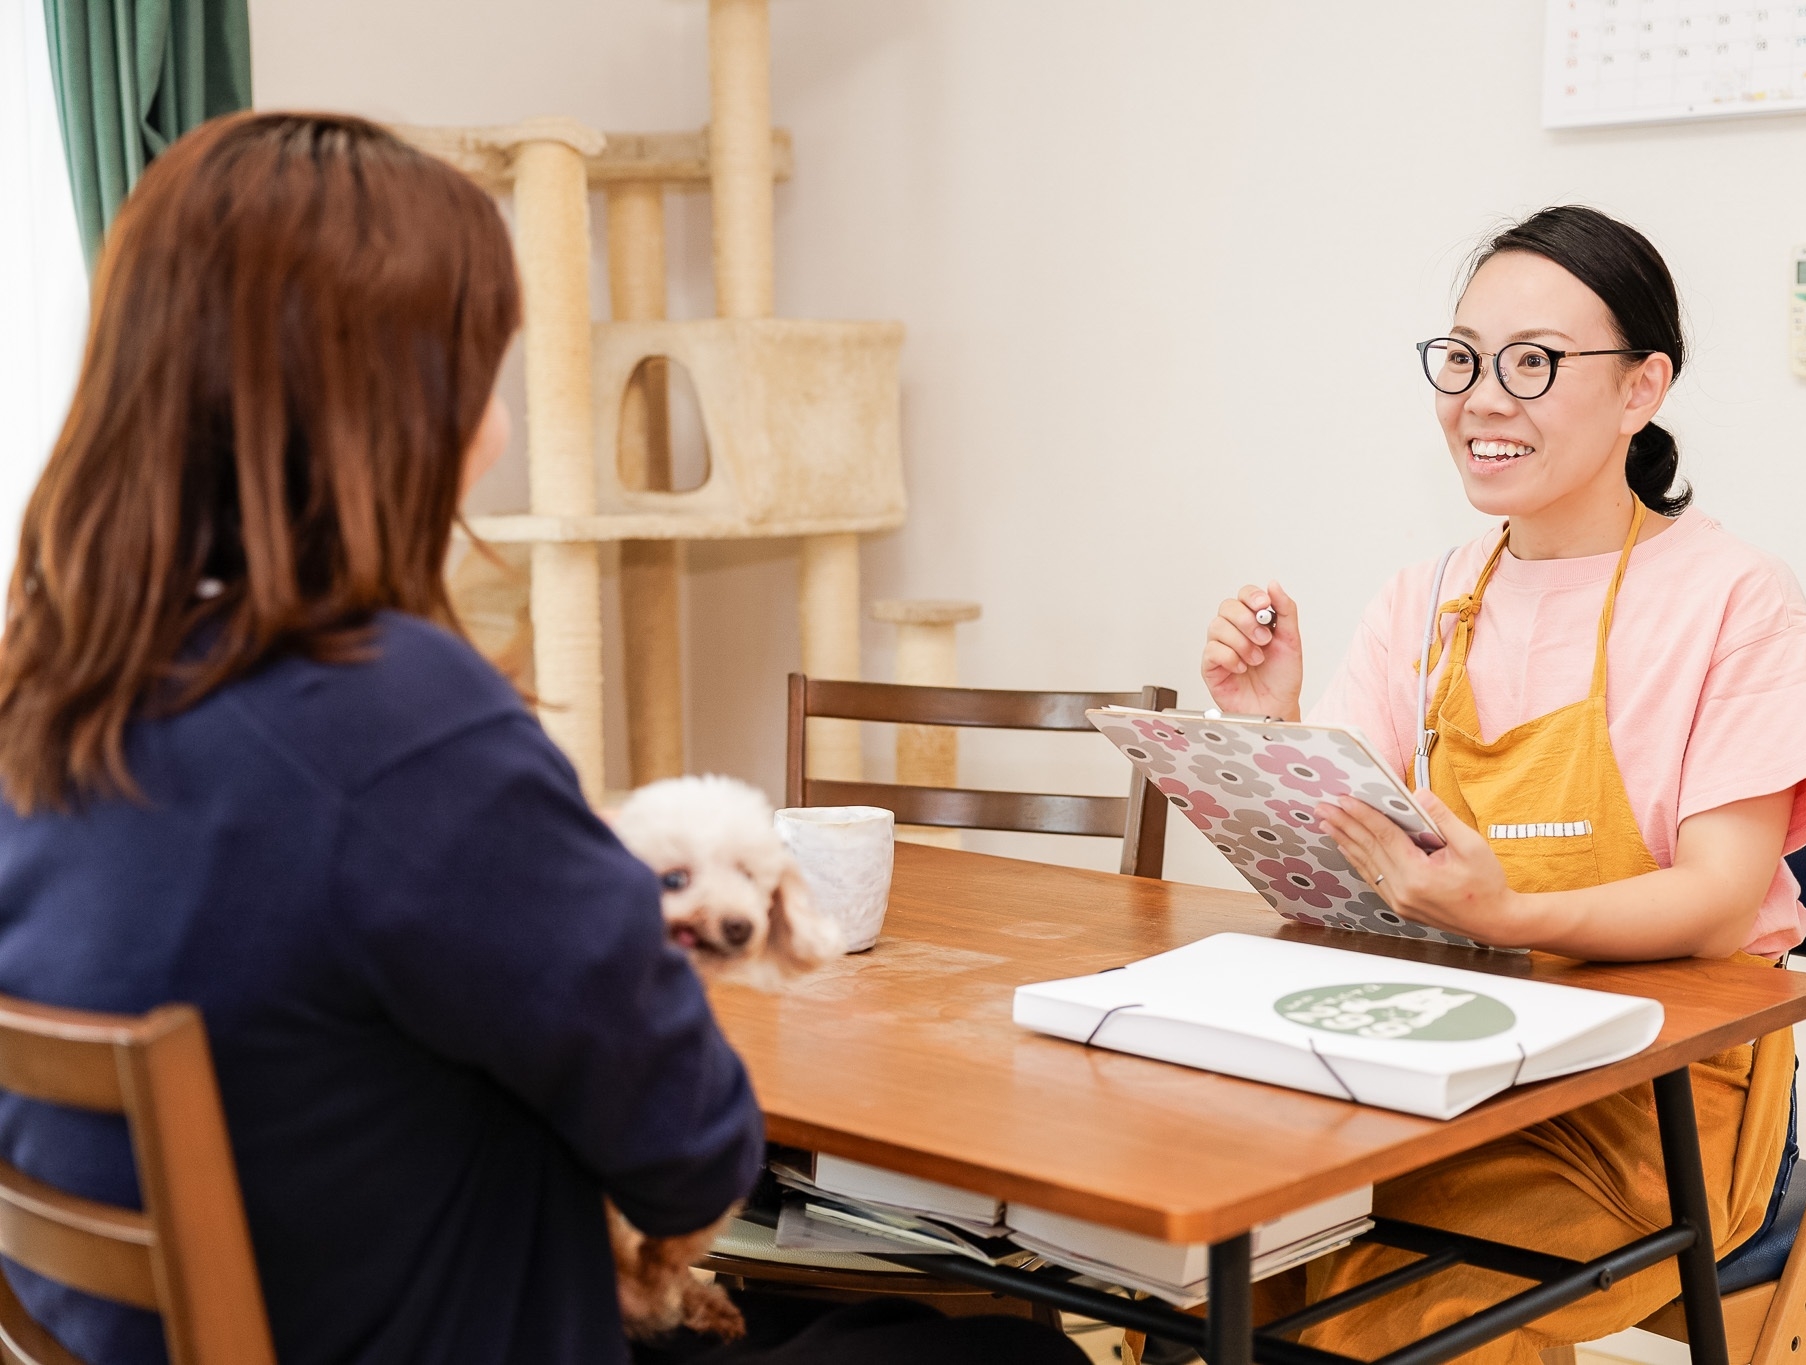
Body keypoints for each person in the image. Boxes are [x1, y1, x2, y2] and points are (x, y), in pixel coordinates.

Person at [0, 112, 1082, 1365]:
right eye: (481, 373)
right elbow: (693, 1148)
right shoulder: (393, 715)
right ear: (386, 395)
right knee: (1002, 1348)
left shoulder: (54, 698)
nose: (499, 429)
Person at [1201, 206, 1806, 1363]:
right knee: (1213, 1286)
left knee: (1406, 1323)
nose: (1482, 399)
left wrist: (1510, 917)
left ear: (1642, 387)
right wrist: (1275, 737)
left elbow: (1713, 896)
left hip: (1655, 1106)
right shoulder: (1424, 596)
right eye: (1461, 358)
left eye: (1532, 363)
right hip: (1446, 1064)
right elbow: (1346, 880)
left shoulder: (1735, 599)